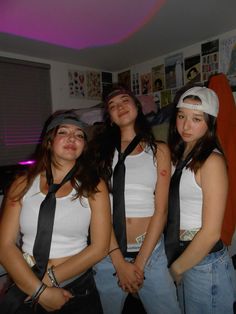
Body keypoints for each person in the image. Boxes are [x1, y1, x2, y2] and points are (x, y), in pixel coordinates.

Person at [0, 110, 111, 313]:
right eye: (64, 132)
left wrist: (48, 280)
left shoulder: (95, 186)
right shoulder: (22, 184)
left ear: (84, 146)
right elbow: (4, 245)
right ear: (49, 142)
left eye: (79, 135)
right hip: (28, 281)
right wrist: (39, 291)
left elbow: (100, 247)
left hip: (76, 287)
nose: (72, 138)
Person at [89, 85, 180, 314]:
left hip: (150, 252)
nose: (119, 107)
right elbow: (96, 213)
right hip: (107, 253)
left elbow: (161, 211)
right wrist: (119, 263)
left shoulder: (159, 151)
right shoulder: (99, 153)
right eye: (112, 106)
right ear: (109, 118)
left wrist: (139, 264)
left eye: (124, 101)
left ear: (137, 107)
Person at [166, 86, 236, 313]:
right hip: (183, 256)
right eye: (181, 116)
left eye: (196, 119)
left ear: (210, 122)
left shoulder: (211, 162)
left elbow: (211, 232)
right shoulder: (179, 157)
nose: (186, 126)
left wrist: (176, 268)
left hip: (205, 263)